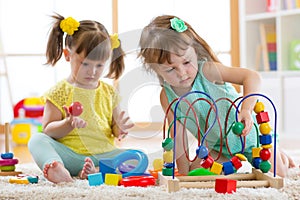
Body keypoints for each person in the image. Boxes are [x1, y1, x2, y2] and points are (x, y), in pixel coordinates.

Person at [138, 15, 296, 177]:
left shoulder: (207, 70)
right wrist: (184, 175)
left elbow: (252, 76)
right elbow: (178, 138)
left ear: (195, 51)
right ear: (155, 70)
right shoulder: (167, 96)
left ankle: (276, 149)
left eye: (186, 63)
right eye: (170, 69)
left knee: (278, 174)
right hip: (218, 147)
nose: (182, 73)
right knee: (196, 174)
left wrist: (246, 110)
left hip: (250, 137)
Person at [28, 13, 140, 183]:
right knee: (36, 140)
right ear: (67, 55)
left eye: (99, 65)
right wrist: (68, 124)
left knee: (138, 156)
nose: (92, 71)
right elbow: (48, 130)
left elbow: (115, 130)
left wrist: (121, 129)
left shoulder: (109, 92)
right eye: (85, 64)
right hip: (69, 156)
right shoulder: (59, 92)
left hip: (103, 157)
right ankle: (57, 168)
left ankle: (94, 171)